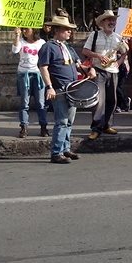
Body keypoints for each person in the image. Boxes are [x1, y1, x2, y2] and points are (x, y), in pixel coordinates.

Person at [38, 13, 96, 163]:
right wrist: (49, 87)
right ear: (57, 30)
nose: (70, 32)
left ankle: (65, 149)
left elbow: (78, 64)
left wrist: (89, 69)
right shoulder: (48, 47)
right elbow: (43, 68)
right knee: (62, 121)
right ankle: (56, 153)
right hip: (59, 89)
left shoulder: (68, 47)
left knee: (69, 121)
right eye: (66, 29)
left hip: (72, 89)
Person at [82, 10, 128, 140]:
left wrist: (119, 62)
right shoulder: (94, 34)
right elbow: (85, 51)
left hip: (113, 71)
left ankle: (106, 125)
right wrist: (98, 55)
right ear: (102, 22)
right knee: (99, 101)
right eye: (109, 20)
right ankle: (96, 128)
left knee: (112, 100)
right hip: (98, 70)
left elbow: (125, 52)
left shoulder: (118, 37)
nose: (112, 22)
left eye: (113, 20)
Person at [12, 26, 48, 138]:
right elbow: (15, 50)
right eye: (23, 29)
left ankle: (43, 127)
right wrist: (17, 35)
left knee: (41, 102)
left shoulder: (41, 42)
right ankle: (24, 127)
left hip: (38, 74)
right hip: (24, 74)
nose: (24, 31)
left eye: (26, 29)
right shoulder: (21, 41)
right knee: (24, 102)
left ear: (34, 30)